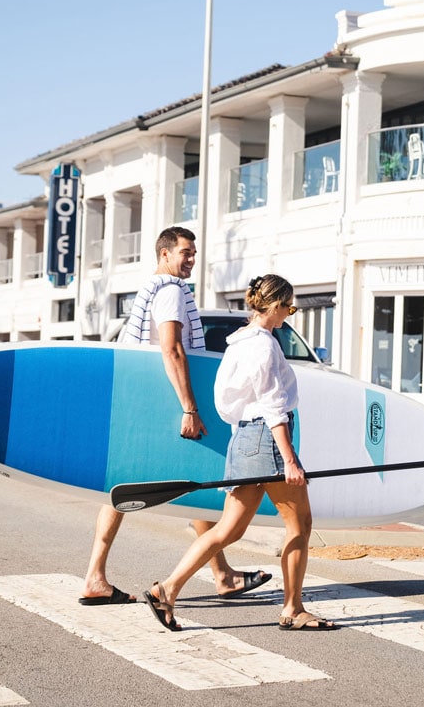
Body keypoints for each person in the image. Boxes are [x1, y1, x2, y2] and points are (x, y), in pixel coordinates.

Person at [79, 227, 271, 605]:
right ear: (164, 254)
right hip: (166, 405)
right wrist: (190, 407)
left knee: (140, 488)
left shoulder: (153, 289)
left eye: (194, 253)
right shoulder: (169, 292)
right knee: (190, 481)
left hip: (143, 405)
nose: (191, 259)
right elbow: (173, 350)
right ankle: (216, 575)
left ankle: (99, 576)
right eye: (185, 252)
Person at [143, 274, 338, 631]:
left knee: (228, 530)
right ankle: (293, 609)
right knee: (300, 523)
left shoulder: (237, 343)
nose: (289, 315)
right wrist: (290, 460)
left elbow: (226, 404)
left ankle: (166, 589)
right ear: (276, 306)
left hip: (246, 438)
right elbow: (273, 407)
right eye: (289, 308)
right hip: (268, 438)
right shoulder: (264, 345)